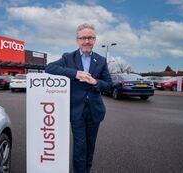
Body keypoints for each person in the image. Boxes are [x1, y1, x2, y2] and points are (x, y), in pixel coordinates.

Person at [45, 23, 112, 173]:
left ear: (95, 40)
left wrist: (95, 82)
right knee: (80, 145)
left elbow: (109, 85)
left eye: (90, 38)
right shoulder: (68, 57)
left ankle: (86, 170)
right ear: (77, 40)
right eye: (83, 38)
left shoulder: (100, 60)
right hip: (76, 110)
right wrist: (75, 74)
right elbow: (49, 68)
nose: (87, 41)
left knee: (90, 145)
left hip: (95, 111)